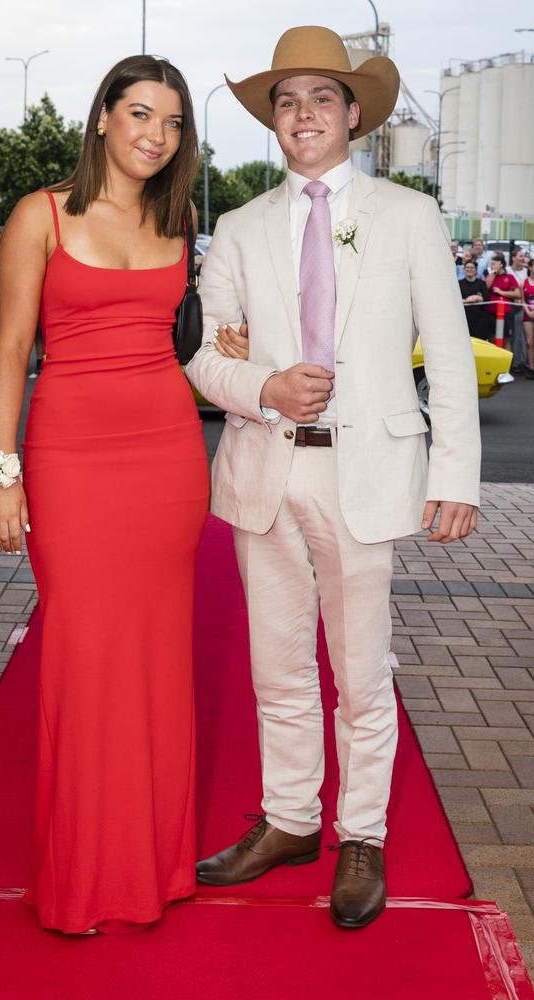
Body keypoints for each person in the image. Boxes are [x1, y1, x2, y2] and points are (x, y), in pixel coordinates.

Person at [187, 25, 480, 930]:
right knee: (278, 672)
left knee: (360, 673)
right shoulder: (234, 230)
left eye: (321, 97)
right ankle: (290, 821)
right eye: (286, 100)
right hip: (263, 471)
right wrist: (263, 386)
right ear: (272, 123)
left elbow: (453, 354)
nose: (303, 113)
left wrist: (457, 475)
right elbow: (207, 355)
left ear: (354, 115)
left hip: (368, 474)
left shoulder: (409, 215)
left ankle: (362, 835)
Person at [0, 54, 208, 936]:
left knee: (154, 660)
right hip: (71, 458)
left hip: (169, 459)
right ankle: (84, 875)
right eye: (141, 113)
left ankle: (151, 865)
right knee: (80, 651)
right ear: (104, 115)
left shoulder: (177, 216)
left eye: (173, 122)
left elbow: (185, 340)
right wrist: (1, 474)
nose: (156, 134)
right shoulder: (40, 214)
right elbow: (10, 350)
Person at [486, 252, 520, 347]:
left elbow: (518, 294)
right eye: (491, 264)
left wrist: (501, 292)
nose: (492, 266)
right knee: (492, 339)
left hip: (506, 313)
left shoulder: (509, 277)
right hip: (491, 312)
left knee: (506, 340)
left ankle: (507, 361)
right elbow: (485, 287)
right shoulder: (490, 276)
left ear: (501, 264)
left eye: (494, 264)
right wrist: (493, 272)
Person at [507, 247, 528, 371]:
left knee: (523, 337)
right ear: (513, 257)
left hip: (524, 307)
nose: (522, 258)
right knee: (513, 336)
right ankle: (515, 362)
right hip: (512, 307)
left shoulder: (526, 271)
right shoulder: (508, 270)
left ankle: (522, 361)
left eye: (523, 256)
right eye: (520, 256)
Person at [459, 258, 489, 340]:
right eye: (467, 267)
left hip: (479, 319)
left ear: (476, 270)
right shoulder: (459, 284)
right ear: (464, 269)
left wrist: (477, 297)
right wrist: (468, 300)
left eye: (472, 268)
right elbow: (455, 300)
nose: (469, 269)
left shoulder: (482, 284)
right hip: (464, 318)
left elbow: (486, 298)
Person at [523, 256, 534, 379]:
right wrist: (528, 311)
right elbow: (522, 300)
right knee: (529, 342)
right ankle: (531, 367)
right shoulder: (524, 282)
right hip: (528, 315)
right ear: (530, 267)